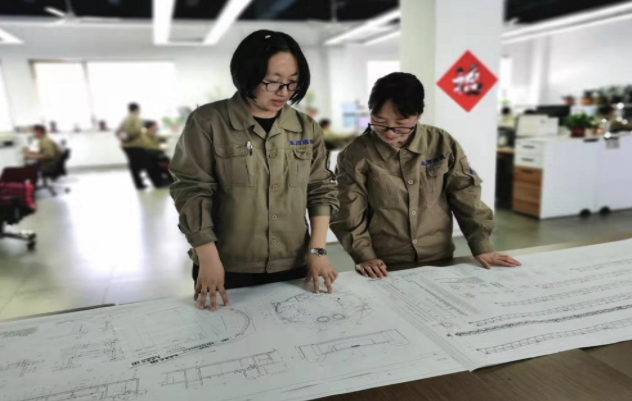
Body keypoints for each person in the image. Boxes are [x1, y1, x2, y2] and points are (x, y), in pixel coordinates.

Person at [169, 30, 339, 311]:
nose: (283, 92)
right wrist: (209, 259)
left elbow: (320, 189)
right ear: (246, 75)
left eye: (292, 83)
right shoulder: (208, 122)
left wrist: (317, 250)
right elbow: (192, 191)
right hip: (225, 265)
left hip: (294, 263)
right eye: (272, 82)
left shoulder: (306, 127)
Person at [330, 72, 521, 279]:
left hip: (439, 256)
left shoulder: (441, 143)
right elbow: (348, 211)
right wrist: (364, 255)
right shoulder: (356, 154)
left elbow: (465, 194)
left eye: (401, 123)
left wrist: (481, 245)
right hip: (383, 262)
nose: (390, 132)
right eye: (379, 121)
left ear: (418, 116)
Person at [116, 103, 162, 189]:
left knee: (134, 166)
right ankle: (157, 183)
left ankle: (139, 184)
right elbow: (136, 131)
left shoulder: (125, 119)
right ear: (137, 109)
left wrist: (123, 138)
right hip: (135, 145)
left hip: (126, 146)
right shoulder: (135, 118)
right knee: (148, 163)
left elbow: (117, 131)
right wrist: (128, 137)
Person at [142, 120, 173, 186]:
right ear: (151, 127)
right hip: (149, 154)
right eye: (155, 126)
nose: (157, 127)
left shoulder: (153, 134)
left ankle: (170, 178)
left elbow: (163, 138)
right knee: (164, 160)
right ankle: (162, 180)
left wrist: (172, 136)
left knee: (167, 160)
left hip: (156, 153)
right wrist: (161, 149)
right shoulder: (144, 135)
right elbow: (149, 146)